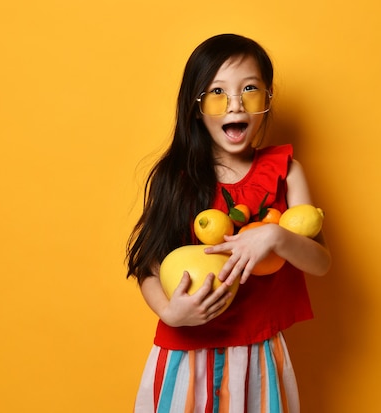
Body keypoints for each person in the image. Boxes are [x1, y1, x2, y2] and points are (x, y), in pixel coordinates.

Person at [125, 34, 331, 413]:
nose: (235, 103)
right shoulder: (176, 177)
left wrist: (274, 236)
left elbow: (320, 262)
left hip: (259, 352)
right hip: (184, 354)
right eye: (217, 92)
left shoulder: (287, 173)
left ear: (267, 99)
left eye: (249, 89)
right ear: (196, 107)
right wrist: (170, 313)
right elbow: (147, 267)